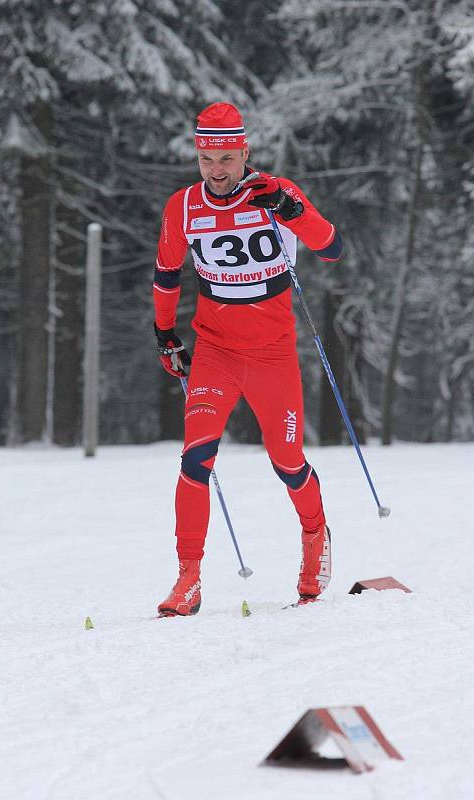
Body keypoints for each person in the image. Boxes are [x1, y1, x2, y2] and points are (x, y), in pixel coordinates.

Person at [153, 102, 343, 616]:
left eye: (227, 158)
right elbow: (167, 275)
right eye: (207, 158)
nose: (217, 170)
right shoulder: (183, 207)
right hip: (215, 350)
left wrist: (290, 208)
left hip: (272, 354)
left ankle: (314, 537)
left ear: (245, 153)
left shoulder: (275, 193)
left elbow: (331, 247)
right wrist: (166, 335)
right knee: (195, 459)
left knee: (286, 461)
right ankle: (188, 579)